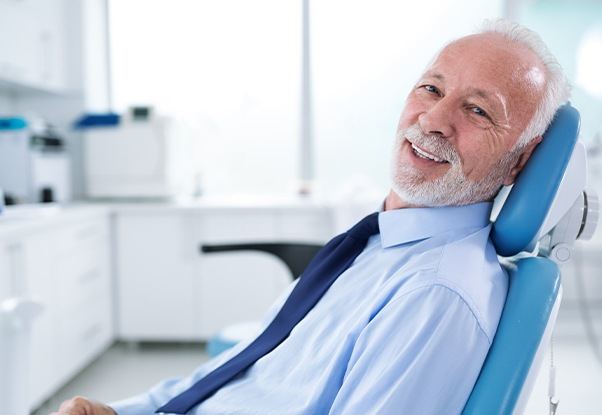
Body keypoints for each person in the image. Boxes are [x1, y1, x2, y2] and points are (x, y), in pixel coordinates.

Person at [52, 18, 570, 415]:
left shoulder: (434, 295)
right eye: (431, 89)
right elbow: (254, 367)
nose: (432, 120)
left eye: (478, 111)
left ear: (520, 160)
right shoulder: (376, 244)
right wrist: (128, 410)